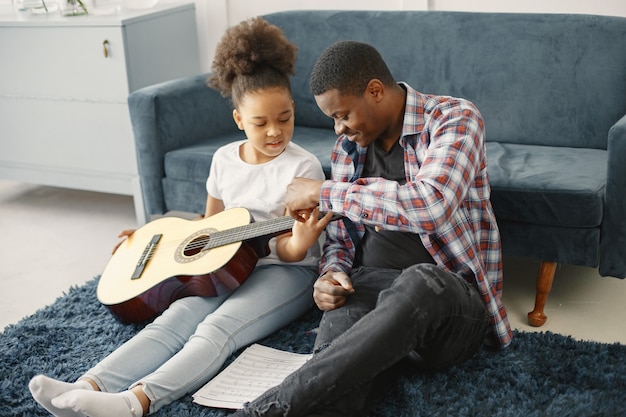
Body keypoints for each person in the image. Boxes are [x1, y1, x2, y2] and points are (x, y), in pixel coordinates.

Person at [28, 17, 332, 417]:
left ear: (293, 109)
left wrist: (302, 242)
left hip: (285, 270)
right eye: (261, 123)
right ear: (240, 120)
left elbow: (289, 249)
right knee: (175, 320)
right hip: (226, 266)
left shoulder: (305, 167)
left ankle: (133, 403)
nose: (275, 131)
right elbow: (208, 226)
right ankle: (87, 385)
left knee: (215, 330)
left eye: (285, 118)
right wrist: (152, 240)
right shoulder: (224, 160)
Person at [233, 40, 513, 417]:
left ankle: (277, 402)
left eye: (343, 114)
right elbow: (341, 233)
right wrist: (331, 273)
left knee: (418, 282)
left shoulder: (454, 119)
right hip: (366, 286)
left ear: (375, 91)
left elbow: (432, 206)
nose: (338, 128)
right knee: (336, 390)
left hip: (444, 299)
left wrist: (325, 190)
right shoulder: (349, 148)